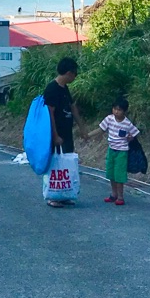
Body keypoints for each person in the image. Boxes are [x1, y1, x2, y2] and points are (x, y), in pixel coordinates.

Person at [43, 56, 88, 207]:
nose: (75, 77)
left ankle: (64, 193)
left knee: (66, 163)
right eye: (75, 73)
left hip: (67, 132)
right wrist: (55, 135)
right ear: (69, 73)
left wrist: (81, 127)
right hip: (57, 133)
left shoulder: (64, 88)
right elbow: (49, 114)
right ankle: (52, 195)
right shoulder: (52, 89)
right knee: (55, 165)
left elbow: (72, 107)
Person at [99, 96, 140, 206]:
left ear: (124, 111)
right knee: (111, 173)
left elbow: (135, 133)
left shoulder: (127, 123)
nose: (116, 112)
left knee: (119, 174)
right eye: (115, 109)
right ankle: (114, 194)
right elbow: (101, 129)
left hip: (122, 151)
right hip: (111, 149)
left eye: (119, 110)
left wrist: (130, 137)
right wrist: (87, 135)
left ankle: (121, 196)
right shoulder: (109, 119)